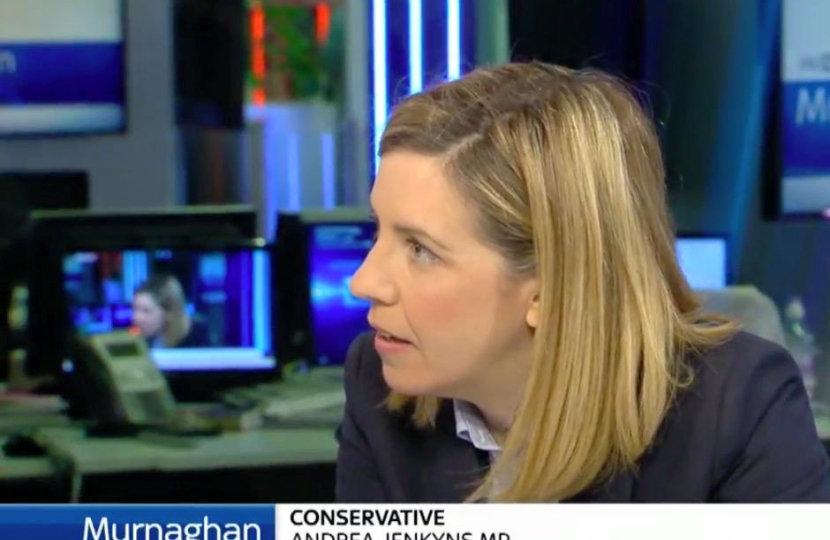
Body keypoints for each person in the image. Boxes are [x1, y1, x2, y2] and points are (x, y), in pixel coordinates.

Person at [336, 62, 830, 502]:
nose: (363, 282)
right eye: (379, 231)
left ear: (549, 288)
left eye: (420, 250)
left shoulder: (738, 408)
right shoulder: (375, 383)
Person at [132, 274, 210, 349]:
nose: (137, 318)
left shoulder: (195, 341)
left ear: (169, 313)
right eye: (135, 309)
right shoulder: (139, 338)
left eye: (146, 311)